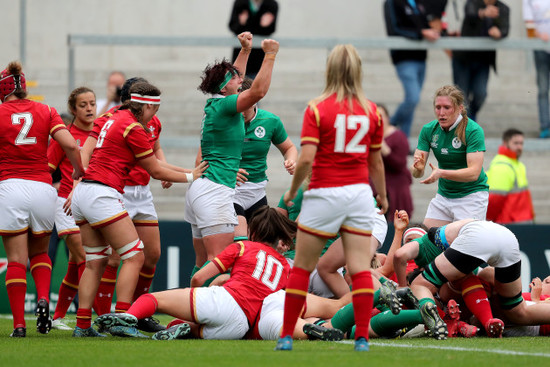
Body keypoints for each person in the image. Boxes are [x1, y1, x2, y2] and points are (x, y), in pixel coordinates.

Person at [70, 81, 206, 337]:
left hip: (84, 192)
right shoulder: (133, 127)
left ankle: (83, 325)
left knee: (93, 263)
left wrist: (190, 172)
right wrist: (191, 177)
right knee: (135, 256)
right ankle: (123, 319)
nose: (155, 115)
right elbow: (154, 170)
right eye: (153, 109)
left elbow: (86, 153)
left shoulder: (114, 117)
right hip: (103, 193)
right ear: (144, 106)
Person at [275, 44, 388, 352]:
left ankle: (286, 337)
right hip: (358, 194)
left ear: (330, 70)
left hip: (324, 193)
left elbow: (308, 158)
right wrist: (383, 196)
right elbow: (375, 162)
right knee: (360, 269)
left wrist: (292, 190)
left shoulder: (316, 108)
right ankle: (362, 338)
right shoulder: (372, 111)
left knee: (301, 267)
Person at [94, 206, 294, 340]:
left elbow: (199, 277)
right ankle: (184, 328)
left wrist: (195, 297)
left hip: (226, 301)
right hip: (241, 325)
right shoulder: (285, 267)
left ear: (255, 231)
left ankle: (127, 317)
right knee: (192, 327)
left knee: (151, 299)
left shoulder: (243, 246)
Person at [0, 61, 85, 337]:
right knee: (39, 253)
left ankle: (19, 325)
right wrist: (79, 172)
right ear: (24, 87)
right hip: (43, 188)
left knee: (15, 259)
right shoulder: (46, 110)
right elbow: (70, 144)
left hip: (10, 187)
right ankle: (44, 300)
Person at [185, 32, 279, 274]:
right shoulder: (227, 105)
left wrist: (246, 50)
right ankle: (204, 309)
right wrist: (269, 55)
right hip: (214, 189)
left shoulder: (219, 102)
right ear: (224, 86)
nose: (240, 78)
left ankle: (189, 311)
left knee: (203, 262)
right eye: (234, 77)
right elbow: (257, 92)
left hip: (202, 187)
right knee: (220, 263)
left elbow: (233, 79)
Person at [90, 77, 172, 332]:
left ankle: (137, 313)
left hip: (143, 192)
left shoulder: (153, 122)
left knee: (152, 254)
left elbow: (156, 148)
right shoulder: (113, 119)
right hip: (119, 189)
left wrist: (164, 166)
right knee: (116, 258)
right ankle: (107, 316)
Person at [411, 219, 550, 338]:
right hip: (506, 237)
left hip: (477, 239)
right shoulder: (452, 234)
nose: (547, 280)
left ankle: (456, 323)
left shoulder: (427, 245)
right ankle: (472, 322)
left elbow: (400, 256)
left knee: (422, 285)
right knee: (513, 307)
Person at [47, 87, 96, 330]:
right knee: (84, 259)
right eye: (83, 104)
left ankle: (56, 317)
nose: (89, 108)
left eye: (92, 103)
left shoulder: (100, 134)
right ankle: (88, 317)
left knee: (77, 264)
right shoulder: (65, 136)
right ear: (73, 109)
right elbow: (46, 169)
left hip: (90, 204)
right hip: (64, 203)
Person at [227, 76, 297, 240]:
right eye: (239, 104)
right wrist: (227, 170)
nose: (242, 110)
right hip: (230, 190)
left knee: (261, 243)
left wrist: (291, 160)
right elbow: (204, 158)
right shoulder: (224, 120)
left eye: (247, 104)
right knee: (241, 240)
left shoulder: (270, 121)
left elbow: (289, 148)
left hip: (257, 192)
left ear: (255, 100)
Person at [412, 85, 489, 229]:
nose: (441, 113)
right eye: (438, 107)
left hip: (471, 196)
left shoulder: (473, 130)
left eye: (447, 107)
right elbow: (417, 173)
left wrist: (442, 173)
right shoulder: (428, 130)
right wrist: (418, 168)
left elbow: (473, 173)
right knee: (427, 240)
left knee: (464, 245)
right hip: (444, 196)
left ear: (460, 108)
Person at [384, 0, 441, 137]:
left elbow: (426, 25)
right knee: (412, 98)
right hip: (404, 58)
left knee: (412, 103)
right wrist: (421, 33)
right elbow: (394, 29)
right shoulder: (392, 3)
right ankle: (389, 124)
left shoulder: (419, 3)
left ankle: (403, 140)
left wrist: (442, 32)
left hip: (420, 58)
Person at [452, 0, 510, 122]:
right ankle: (463, 124)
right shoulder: (472, 3)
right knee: (461, 95)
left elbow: (504, 29)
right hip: (463, 58)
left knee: (481, 94)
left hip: (483, 60)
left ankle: (470, 116)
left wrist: (498, 33)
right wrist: (483, 13)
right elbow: (470, 15)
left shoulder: (503, 8)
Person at [486, 128, 535, 224]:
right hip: (510, 224)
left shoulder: (517, 164)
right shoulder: (502, 166)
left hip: (521, 222)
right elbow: (495, 200)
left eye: (521, 143)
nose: (519, 147)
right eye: (516, 143)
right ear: (505, 143)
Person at [374, 104, 413, 221]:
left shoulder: (398, 136)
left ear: (387, 118)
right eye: (375, 117)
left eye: (381, 116)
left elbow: (400, 164)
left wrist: (386, 150)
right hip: (376, 188)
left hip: (395, 188)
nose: (378, 120)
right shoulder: (367, 136)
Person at [229, 0, 278, 79]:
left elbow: (271, 29)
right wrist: (241, 23)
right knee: (238, 84)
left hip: (259, 57)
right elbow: (233, 27)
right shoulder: (240, 3)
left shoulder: (271, 4)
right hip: (240, 55)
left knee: (256, 85)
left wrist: (264, 26)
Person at [523, 0, 550, 139]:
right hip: (541, 48)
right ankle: (545, 126)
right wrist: (540, 36)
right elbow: (529, 26)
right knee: (543, 89)